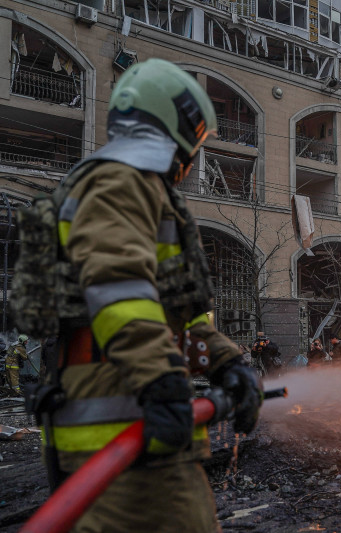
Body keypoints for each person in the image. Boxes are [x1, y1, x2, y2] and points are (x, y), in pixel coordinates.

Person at [31, 59, 263, 531]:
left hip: (135, 428)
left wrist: (227, 362)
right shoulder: (119, 179)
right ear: (168, 119)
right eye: (192, 136)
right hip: (120, 429)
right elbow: (119, 288)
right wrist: (162, 382)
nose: (191, 157)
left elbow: (182, 317)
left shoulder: (146, 190)